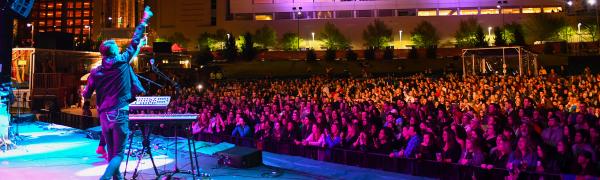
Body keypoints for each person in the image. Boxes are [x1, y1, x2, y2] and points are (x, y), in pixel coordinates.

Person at [81, 6, 152, 180]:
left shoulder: (95, 72)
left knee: (112, 154)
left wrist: (86, 103)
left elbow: (86, 93)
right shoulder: (121, 62)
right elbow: (135, 41)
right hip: (120, 113)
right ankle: (105, 177)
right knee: (119, 154)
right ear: (115, 52)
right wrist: (144, 20)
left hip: (104, 115)